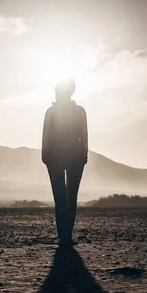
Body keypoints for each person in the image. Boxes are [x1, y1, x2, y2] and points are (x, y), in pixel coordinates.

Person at [42, 78, 88, 247]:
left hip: (65, 156)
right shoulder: (55, 112)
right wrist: (84, 154)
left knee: (64, 197)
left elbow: (84, 134)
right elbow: (46, 134)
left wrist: (84, 154)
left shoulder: (74, 111)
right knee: (66, 197)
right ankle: (65, 235)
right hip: (62, 156)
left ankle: (65, 235)